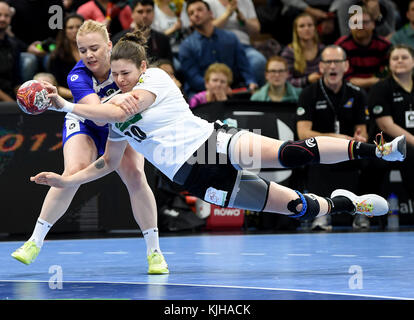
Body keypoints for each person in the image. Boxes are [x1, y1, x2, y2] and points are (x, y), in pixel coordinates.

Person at [36, 30, 407, 235]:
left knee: (290, 153)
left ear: (142, 67)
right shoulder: (114, 110)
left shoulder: (156, 80)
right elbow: (108, 161)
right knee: (298, 207)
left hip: (212, 144)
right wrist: (68, 182)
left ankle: (379, 151)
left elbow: (114, 109)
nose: (119, 80)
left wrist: (64, 104)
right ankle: (348, 204)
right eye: (114, 75)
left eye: (125, 73)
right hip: (192, 175)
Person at [11, 20, 168, 275]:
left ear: (109, 45)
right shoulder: (77, 75)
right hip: (86, 120)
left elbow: (127, 109)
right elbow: (97, 117)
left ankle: (155, 253)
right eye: (83, 50)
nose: (89, 55)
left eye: (94, 48)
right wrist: (121, 98)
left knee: (136, 175)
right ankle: (34, 242)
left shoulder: (124, 68)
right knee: (73, 172)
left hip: (120, 124)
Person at [296, 45, 371, 230]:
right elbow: (303, 133)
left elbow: (362, 130)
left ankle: (361, 212)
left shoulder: (357, 93)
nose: (332, 66)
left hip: (349, 149)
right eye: (328, 62)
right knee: (310, 158)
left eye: (337, 62)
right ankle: (320, 215)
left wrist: (359, 138)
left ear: (345, 65)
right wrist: (334, 139)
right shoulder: (308, 93)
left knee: (374, 161)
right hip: (320, 148)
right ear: (320, 67)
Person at [360, 44, 414, 208]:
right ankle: (364, 213)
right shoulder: (380, 88)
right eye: (395, 58)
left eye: (404, 57)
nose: (400, 61)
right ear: (389, 64)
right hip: (386, 144)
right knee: (376, 163)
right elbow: (386, 124)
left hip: (411, 144)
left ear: (413, 61)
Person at [178, 0, 257, 98]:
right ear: (190, 20)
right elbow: (193, 78)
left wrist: (251, 82)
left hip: (232, 89)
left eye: (199, 10)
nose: (196, 14)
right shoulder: (186, 46)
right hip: (202, 92)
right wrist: (217, 88)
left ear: (211, 14)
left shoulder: (231, 37)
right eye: (191, 13)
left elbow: (244, 66)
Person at [205, 0, 267, 86]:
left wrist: (245, 21)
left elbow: (256, 30)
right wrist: (227, 14)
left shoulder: (246, 2)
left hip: (244, 46)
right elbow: (208, 29)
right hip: (220, 48)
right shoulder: (209, 2)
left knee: (259, 61)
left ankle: (254, 94)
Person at [335, 8, 391, 89]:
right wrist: (376, 81)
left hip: (380, 90)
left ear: (373, 24)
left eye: (364, 22)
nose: (360, 26)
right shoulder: (341, 46)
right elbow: (345, 79)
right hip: (349, 91)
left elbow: (389, 74)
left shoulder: (384, 45)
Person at [281, 12, 324, 88]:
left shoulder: (323, 50)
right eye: (302, 26)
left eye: (310, 25)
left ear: (315, 28)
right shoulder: (288, 53)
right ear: (296, 30)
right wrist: (307, 80)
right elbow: (285, 80)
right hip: (298, 92)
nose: (307, 29)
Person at [48, 13, 85, 100]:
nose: (75, 30)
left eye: (79, 27)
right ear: (64, 31)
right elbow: (56, 86)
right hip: (70, 98)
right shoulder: (57, 56)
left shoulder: (93, 51)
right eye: (70, 27)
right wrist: (83, 95)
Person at [0, 0, 23, 102]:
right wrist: (11, 103)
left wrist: (23, 99)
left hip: (10, 95)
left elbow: (16, 80)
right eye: (0, 15)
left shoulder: (13, 45)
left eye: (6, 16)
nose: (2, 19)